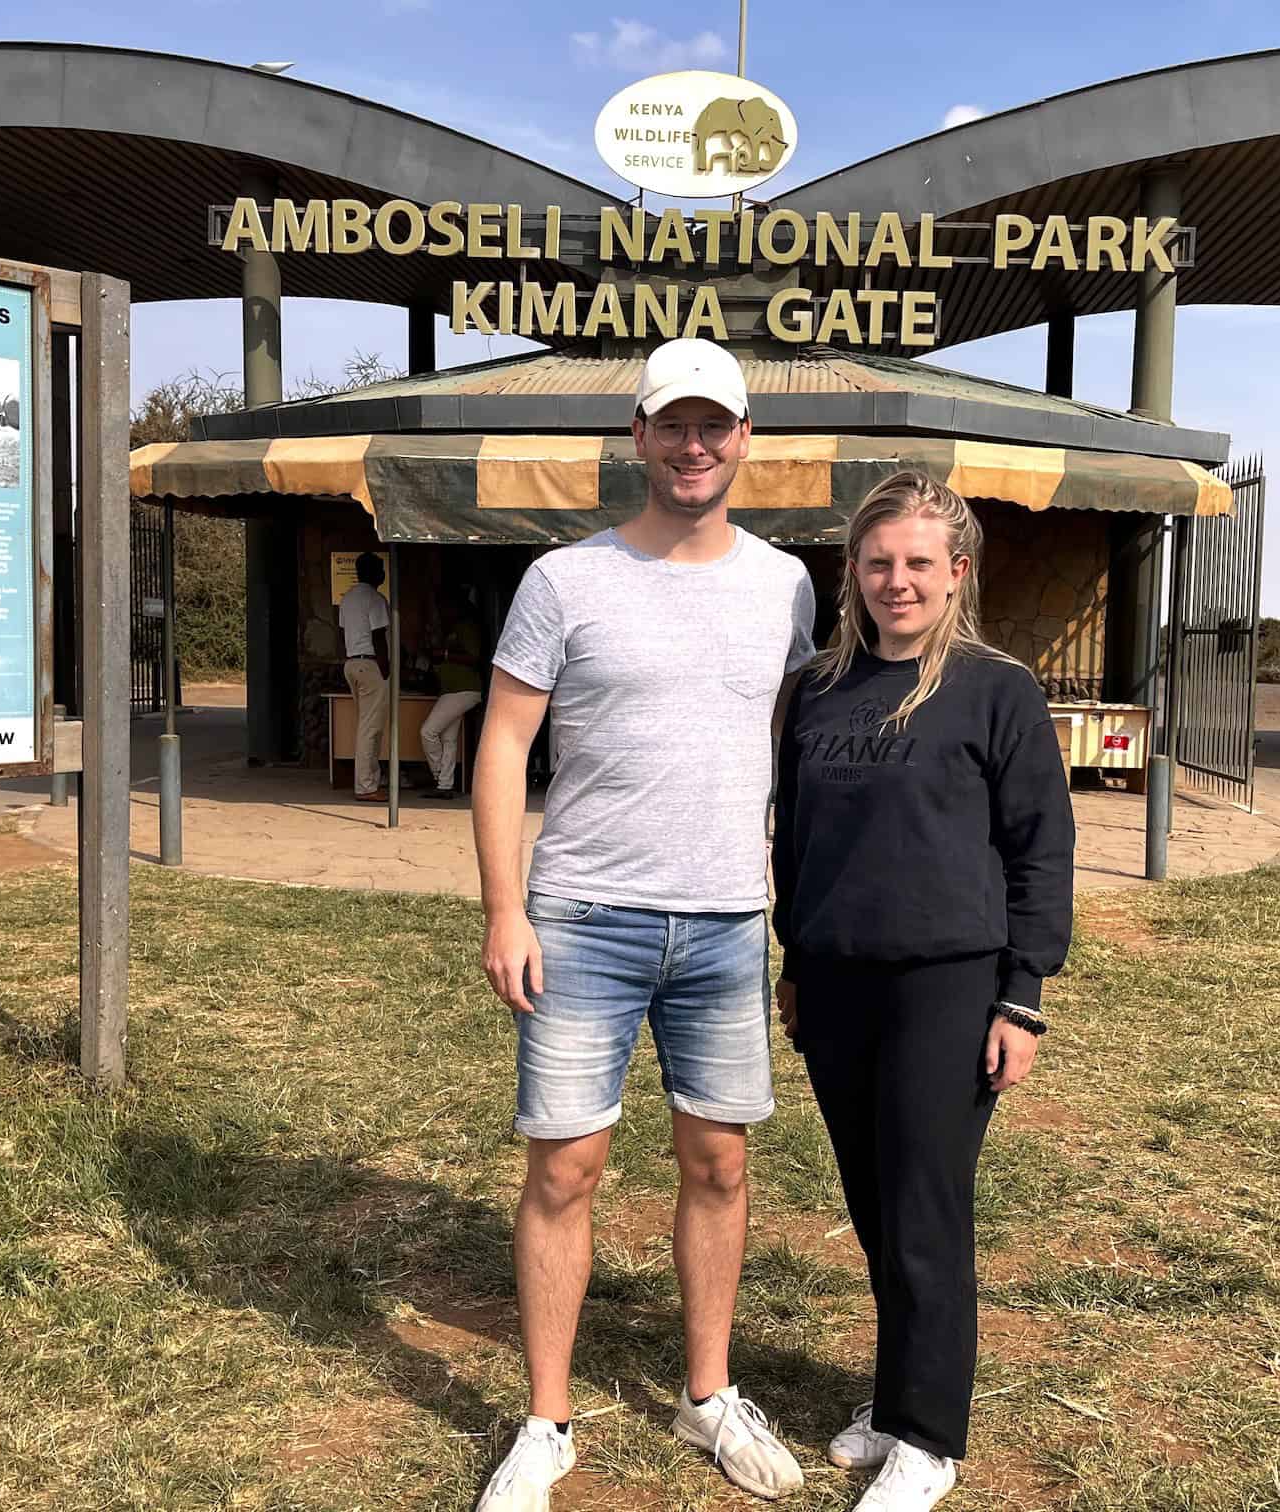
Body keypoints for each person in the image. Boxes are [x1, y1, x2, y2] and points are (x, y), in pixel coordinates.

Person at [471, 337, 818, 1512]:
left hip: (724, 923)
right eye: (673, 424)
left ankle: (707, 1393)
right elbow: (505, 742)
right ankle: (546, 1421)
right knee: (566, 1168)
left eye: (715, 425)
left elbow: (795, 749)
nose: (694, 445)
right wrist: (506, 909)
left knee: (718, 1161)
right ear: (637, 439)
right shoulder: (565, 582)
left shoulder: (785, 586)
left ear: (745, 441)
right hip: (583, 918)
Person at [771, 471, 1074, 1512]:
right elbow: (799, 840)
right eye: (876, 561)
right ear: (851, 572)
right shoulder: (815, 688)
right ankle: (897, 1401)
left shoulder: (997, 690)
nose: (896, 582)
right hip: (838, 978)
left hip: (949, 982)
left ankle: (932, 1439)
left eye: (917, 564)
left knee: (924, 1207)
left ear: (957, 573)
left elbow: (1042, 848)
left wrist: (1022, 994)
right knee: (872, 1201)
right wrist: (795, 962)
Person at [337, 552, 392, 803]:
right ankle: (366, 786)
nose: (383, 574)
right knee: (370, 729)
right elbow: (379, 636)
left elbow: (342, 634)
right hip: (371, 665)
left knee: (365, 726)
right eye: (380, 569)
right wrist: (386, 667)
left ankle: (369, 779)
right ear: (373, 573)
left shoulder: (347, 598)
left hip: (351, 663)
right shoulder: (375, 599)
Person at [421, 616, 484, 800]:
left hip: (462, 690)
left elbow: (474, 657)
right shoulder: (450, 629)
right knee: (449, 740)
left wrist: (445, 654)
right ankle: (444, 786)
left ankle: (438, 772)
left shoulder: (465, 626)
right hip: (455, 690)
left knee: (427, 732)